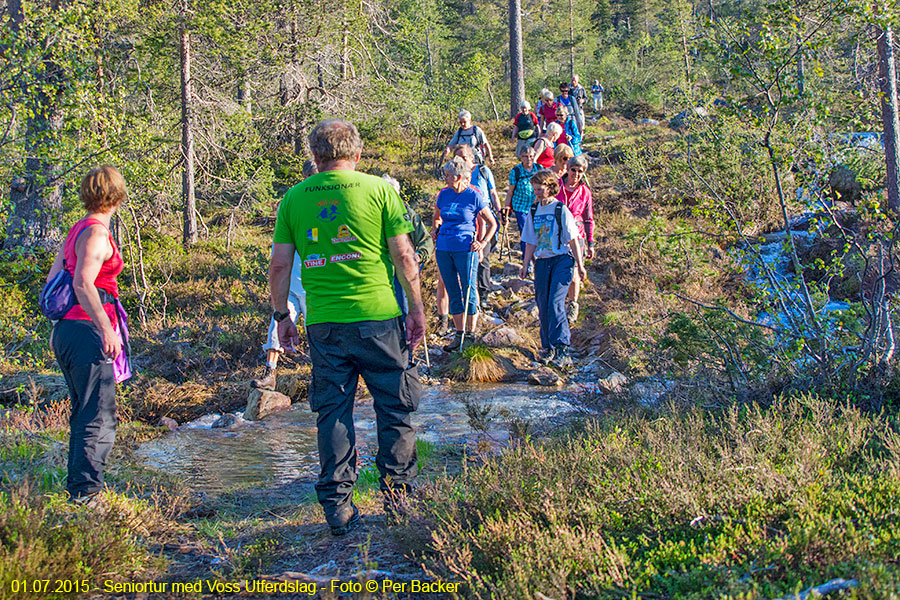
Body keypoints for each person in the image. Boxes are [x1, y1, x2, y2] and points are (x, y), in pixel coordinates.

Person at [270, 119, 425, 536]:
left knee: (333, 411)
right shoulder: (379, 191)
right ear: (357, 155)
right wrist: (417, 309)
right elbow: (405, 257)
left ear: (315, 157)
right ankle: (399, 497)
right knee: (394, 406)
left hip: (324, 324)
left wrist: (283, 316)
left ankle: (338, 508)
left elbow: (281, 265)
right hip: (379, 318)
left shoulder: (293, 199)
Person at [46, 166, 129, 504]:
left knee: (85, 410)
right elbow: (82, 283)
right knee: (98, 413)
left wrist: (57, 327)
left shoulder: (77, 229)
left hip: (69, 329)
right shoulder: (95, 234)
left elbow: (54, 280)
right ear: (117, 195)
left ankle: (81, 487)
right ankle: (87, 493)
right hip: (87, 331)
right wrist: (106, 329)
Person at [252, 159, 318, 391]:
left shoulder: (323, 205)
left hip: (314, 285)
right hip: (291, 284)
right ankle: (270, 373)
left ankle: (322, 375)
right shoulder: (293, 202)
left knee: (318, 332)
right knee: (276, 326)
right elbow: (278, 257)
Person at [519, 170, 586, 368]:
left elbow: (572, 239)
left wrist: (580, 266)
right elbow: (531, 241)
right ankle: (548, 348)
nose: (537, 193)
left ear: (550, 188)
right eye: (535, 190)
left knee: (556, 302)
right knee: (543, 303)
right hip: (542, 262)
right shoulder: (533, 210)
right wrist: (525, 265)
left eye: (540, 190)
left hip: (562, 260)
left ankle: (562, 348)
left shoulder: (560, 209)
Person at [431, 156, 497, 351]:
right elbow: (436, 218)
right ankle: (458, 335)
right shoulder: (443, 194)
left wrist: (482, 242)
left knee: (469, 288)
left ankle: (470, 334)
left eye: (447, 175)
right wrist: (435, 229)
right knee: (452, 290)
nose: (445, 178)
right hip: (443, 248)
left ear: (458, 176)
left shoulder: (474, 195)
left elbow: (492, 223)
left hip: (466, 249)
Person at [453, 145, 501, 309]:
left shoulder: (483, 171)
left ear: (472, 158)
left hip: (485, 217)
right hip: (466, 221)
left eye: (464, 158)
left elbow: (493, 193)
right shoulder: (454, 175)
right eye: (457, 159)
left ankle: (484, 292)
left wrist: (500, 211)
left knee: (483, 256)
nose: (461, 162)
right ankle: (469, 294)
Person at [382, 174, 434, 318]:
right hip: (380, 271)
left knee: (404, 309)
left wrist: (417, 256)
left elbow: (426, 240)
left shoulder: (408, 214)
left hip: (402, 271)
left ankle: (406, 338)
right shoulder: (373, 215)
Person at [556, 154, 594, 323]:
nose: (576, 174)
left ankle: (572, 305)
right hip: (556, 234)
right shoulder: (556, 186)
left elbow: (588, 218)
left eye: (580, 171)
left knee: (575, 274)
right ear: (567, 169)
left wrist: (591, 242)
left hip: (577, 236)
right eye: (573, 170)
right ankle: (556, 304)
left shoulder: (585, 192)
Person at [504, 145, 544, 260]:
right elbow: (510, 192)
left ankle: (537, 258)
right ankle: (527, 260)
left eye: (531, 156)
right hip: (520, 207)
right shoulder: (516, 171)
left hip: (536, 206)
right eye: (525, 157)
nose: (529, 159)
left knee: (538, 233)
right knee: (525, 233)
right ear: (521, 157)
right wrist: (506, 208)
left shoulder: (539, 169)